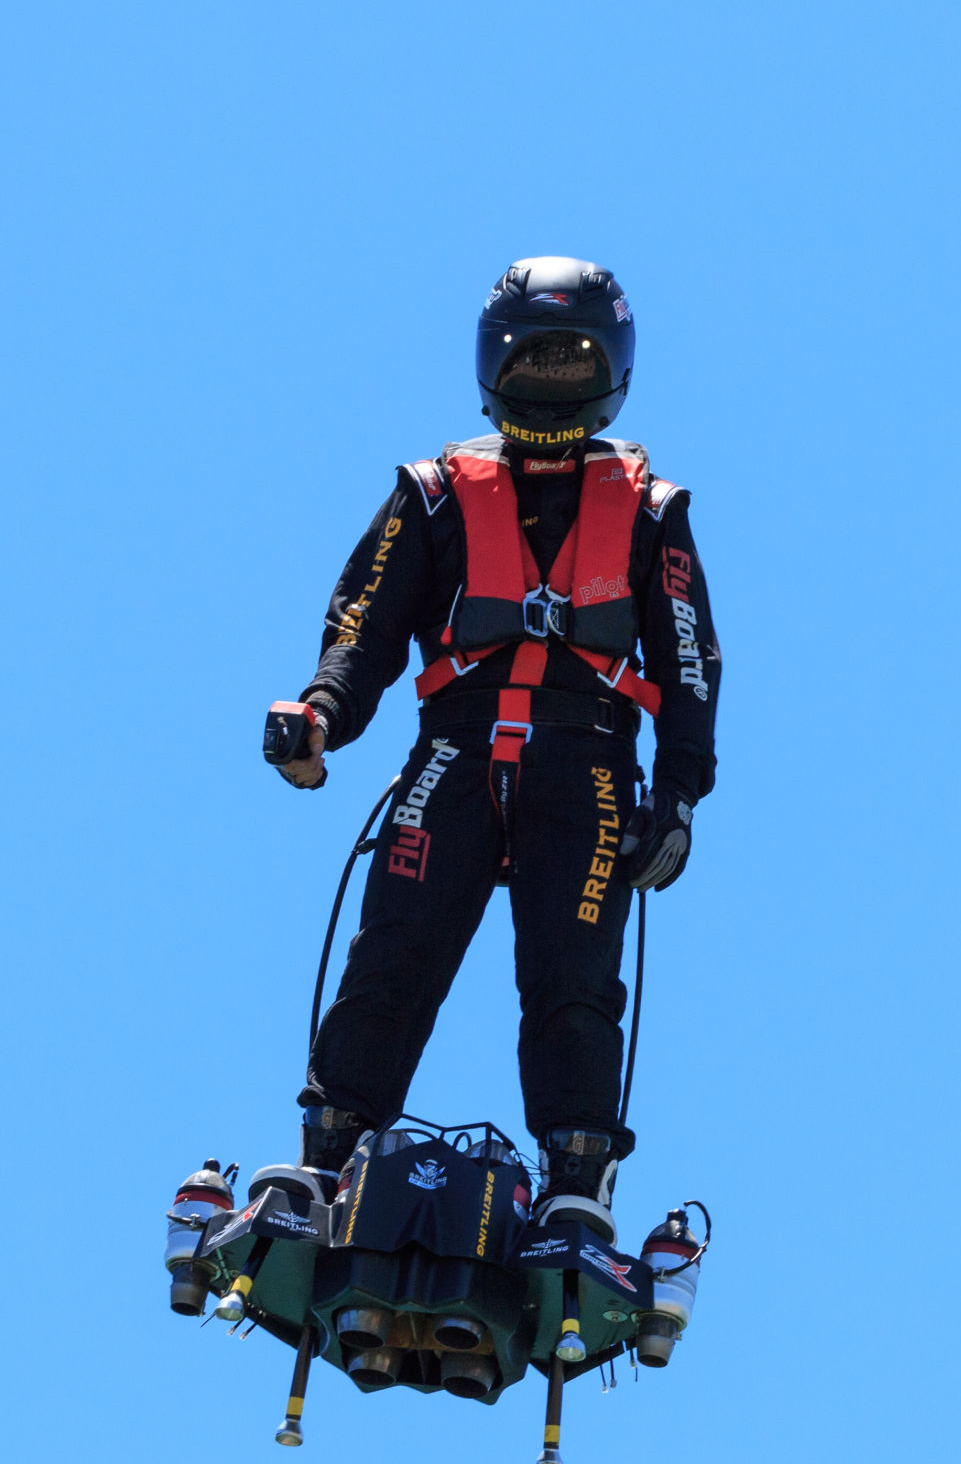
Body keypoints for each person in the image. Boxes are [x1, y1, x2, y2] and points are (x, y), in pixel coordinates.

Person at [272, 256, 720, 1242]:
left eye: (568, 365)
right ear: (492, 370)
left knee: (572, 977)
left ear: (609, 372)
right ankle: (325, 1159)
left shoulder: (652, 513)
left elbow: (689, 664)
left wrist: (677, 799)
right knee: (393, 952)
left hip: (591, 770)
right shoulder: (432, 496)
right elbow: (361, 631)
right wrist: (317, 717)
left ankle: (575, 1180)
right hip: (451, 759)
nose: (549, 385)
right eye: (533, 365)